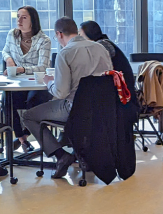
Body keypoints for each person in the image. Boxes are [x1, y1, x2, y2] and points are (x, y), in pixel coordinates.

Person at [21, 17, 113, 179]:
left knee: (28, 116)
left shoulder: (65, 53)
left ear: (59, 34)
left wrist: (49, 82)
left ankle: (60, 155)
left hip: (74, 108)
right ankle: (80, 153)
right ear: (76, 31)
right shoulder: (101, 49)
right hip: (103, 108)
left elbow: (60, 93)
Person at [2, 6, 53, 153]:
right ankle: (22, 139)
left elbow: (43, 67)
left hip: (37, 84)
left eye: (24, 17)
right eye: (18, 16)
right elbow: (5, 50)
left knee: (33, 100)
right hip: (18, 84)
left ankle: (26, 134)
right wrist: (9, 58)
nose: (19, 20)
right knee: (7, 99)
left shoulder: (44, 40)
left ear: (33, 20)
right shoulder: (12, 34)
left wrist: (22, 69)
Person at [78, 20, 138, 108]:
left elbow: (93, 68)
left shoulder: (102, 45)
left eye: (80, 35)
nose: (79, 38)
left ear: (89, 34)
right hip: (121, 92)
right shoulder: (104, 42)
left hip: (122, 96)